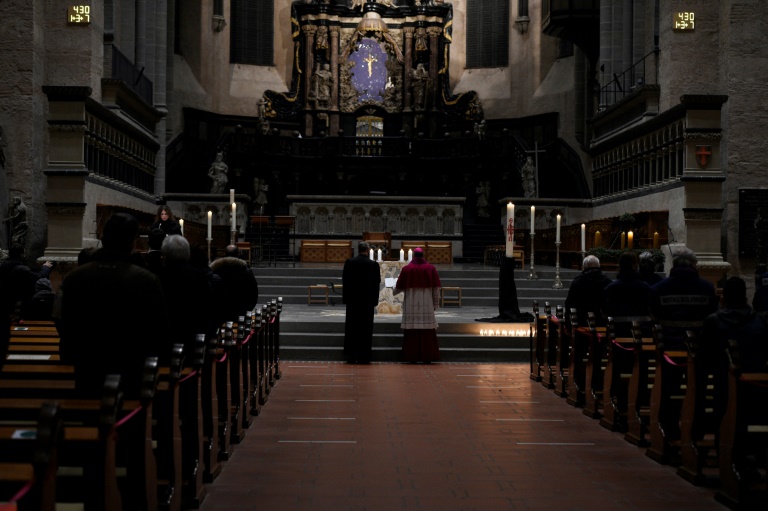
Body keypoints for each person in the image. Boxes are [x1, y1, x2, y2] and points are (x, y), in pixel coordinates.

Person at [54, 213, 170, 398]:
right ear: (133, 242)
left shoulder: (74, 279)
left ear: (103, 238)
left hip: (87, 369)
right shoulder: (146, 280)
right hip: (131, 371)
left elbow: (63, 323)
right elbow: (159, 332)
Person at [159, 235, 218, 355]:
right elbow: (210, 310)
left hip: (165, 342)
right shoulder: (200, 278)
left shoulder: (158, 278)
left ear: (164, 256)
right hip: (196, 339)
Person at [649, 246, 719, 341]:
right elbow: (713, 317)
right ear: (693, 264)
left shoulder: (658, 289)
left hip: (668, 343)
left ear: (674, 263)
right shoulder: (707, 288)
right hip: (699, 345)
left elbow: (653, 318)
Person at [0, 244, 53, 361]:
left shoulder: (2, 267)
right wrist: (46, 268)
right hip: (19, 306)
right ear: (21, 254)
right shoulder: (21, 269)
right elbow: (38, 278)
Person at [393, 247, 441, 363]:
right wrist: (435, 304)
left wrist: (393, 291)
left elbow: (399, 287)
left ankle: (411, 356)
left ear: (414, 256)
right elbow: (436, 289)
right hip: (427, 302)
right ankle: (428, 356)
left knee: (412, 329)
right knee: (427, 330)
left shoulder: (407, 269)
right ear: (423, 256)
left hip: (411, 302)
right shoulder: (431, 268)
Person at [342, 241, 381, 364]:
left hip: (353, 301)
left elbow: (345, 281)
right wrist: (375, 301)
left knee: (352, 327)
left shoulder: (349, 262)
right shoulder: (373, 265)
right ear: (368, 250)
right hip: (367, 302)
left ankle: (351, 355)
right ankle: (364, 356)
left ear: (357, 250)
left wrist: (346, 299)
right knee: (366, 328)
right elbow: (376, 284)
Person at [603, 251, 653, 335]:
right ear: (635, 265)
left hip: (618, 331)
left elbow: (605, 310)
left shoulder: (611, 288)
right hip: (642, 331)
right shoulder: (645, 287)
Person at [210, 244, 259, 326]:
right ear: (238, 254)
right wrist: (246, 309)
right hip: (241, 312)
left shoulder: (216, 271)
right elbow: (253, 293)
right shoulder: (246, 271)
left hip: (220, 313)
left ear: (224, 254)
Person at [564, 254, 612, 327]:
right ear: (598, 266)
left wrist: (567, 324)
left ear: (584, 267)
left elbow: (570, 303)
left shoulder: (578, 282)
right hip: (602, 323)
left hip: (581, 323)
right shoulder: (607, 282)